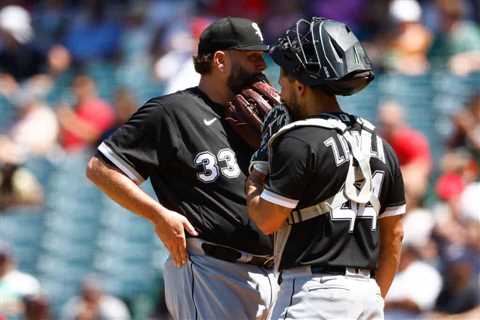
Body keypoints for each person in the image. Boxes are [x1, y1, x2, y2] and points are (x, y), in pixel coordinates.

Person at [86, 17, 276, 320]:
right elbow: (100, 169)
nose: (261, 66)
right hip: (213, 272)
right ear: (220, 60)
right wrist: (157, 214)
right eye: (252, 57)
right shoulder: (170, 112)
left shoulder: (260, 118)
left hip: (273, 272)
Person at [246, 17, 406, 319]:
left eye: (283, 77)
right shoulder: (380, 145)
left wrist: (257, 170)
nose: (280, 88)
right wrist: (372, 298)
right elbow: (394, 237)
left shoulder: (297, 140)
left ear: (300, 85)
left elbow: (266, 220)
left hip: (314, 291)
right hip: (367, 295)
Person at [61, 275, 130, 320]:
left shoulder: (113, 305)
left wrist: (97, 313)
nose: (91, 294)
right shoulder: (74, 304)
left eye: (94, 291)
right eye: (88, 291)